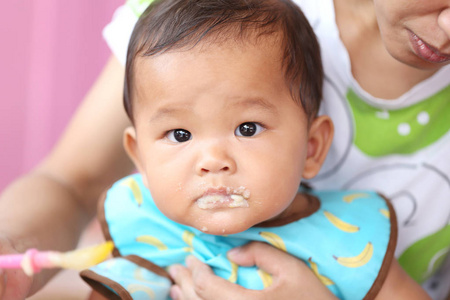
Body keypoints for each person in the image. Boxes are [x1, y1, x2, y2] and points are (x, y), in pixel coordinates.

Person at [0, 0, 448, 299]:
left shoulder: (350, 240)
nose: (213, 160)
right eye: (179, 135)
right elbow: (68, 182)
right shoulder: (142, 230)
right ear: (138, 156)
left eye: (247, 128)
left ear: (313, 146)